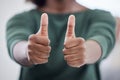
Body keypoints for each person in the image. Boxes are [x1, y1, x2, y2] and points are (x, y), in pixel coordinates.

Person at [6, 0, 116, 80]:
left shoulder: (101, 17)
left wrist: (85, 51)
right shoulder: (21, 19)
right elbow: (15, 44)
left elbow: (103, 40)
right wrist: (27, 51)